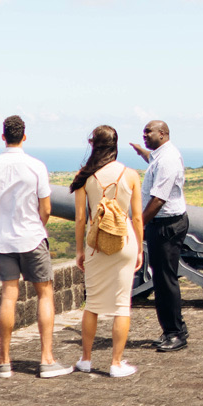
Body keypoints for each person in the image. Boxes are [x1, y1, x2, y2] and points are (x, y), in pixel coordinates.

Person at [0, 114, 72, 378]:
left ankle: (3, 361)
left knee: (8, 296)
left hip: (3, 240)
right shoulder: (36, 166)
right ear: (24, 135)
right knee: (44, 294)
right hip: (32, 237)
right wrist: (38, 225)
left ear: (3, 137)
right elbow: (46, 207)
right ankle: (46, 360)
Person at [72, 125, 144, 377]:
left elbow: (81, 219)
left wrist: (80, 251)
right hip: (124, 242)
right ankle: (116, 363)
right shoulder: (131, 174)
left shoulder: (84, 175)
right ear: (116, 145)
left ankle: (86, 359)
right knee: (122, 304)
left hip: (95, 246)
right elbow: (137, 218)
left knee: (92, 304)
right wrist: (139, 250)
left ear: (93, 144)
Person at [130, 119, 188, 352]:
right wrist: (143, 152)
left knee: (165, 281)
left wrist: (139, 225)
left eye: (148, 132)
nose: (144, 135)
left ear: (163, 134)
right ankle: (173, 329)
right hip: (163, 224)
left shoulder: (168, 159)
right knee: (163, 279)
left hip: (166, 224)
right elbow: (153, 161)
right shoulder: (160, 156)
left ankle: (175, 333)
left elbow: (159, 199)